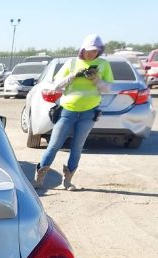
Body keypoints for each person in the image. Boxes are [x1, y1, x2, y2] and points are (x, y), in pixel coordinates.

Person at [33, 34, 113, 190]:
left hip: (88, 113)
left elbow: (108, 88)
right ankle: (38, 180)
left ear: (99, 51)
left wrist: (96, 79)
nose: (91, 54)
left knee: (77, 147)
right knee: (54, 145)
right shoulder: (72, 62)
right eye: (88, 50)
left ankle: (67, 181)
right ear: (82, 49)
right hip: (67, 111)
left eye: (95, 51)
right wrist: (73, 76)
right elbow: (56, 85)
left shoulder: (103, 64)